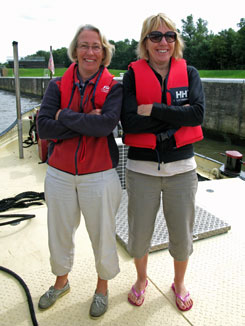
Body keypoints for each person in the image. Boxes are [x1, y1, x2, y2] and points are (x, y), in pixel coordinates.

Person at [37, 24, 122, 319]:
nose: (90, 52)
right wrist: (84, 120)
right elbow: (43, 126)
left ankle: (102, 288)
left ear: (104, 52)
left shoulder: (115, 87)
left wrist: (64, 116)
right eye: (84, 46)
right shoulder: (56, 86)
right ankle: (61, 282)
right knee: (59, 233)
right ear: (75, 51)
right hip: (59, 173)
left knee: (103, 235)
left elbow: (105, 125)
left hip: (99, 175)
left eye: (96, 46)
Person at [121, 13, 205, 311]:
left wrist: (153, 109)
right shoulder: (131, 76)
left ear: (176, 41)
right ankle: (142, 279)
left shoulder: (190, 73)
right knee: (139, 232)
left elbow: (196, 115)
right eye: (155, 36)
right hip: (141, 169)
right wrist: (174, 115)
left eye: (169, 36)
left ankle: (179, 282)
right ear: (145, 43)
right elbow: (129, 122)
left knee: (182, 234)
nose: (163, 42)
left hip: (181, 169)